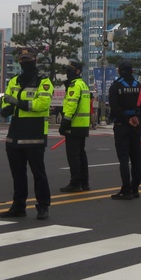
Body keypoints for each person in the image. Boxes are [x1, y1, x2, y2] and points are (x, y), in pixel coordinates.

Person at [0, 47, 54, 220]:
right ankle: (18, 206)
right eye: (22, 60)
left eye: (27, 59)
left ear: (35, 60)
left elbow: (41, 105)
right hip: (15, 131)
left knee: (38, 173)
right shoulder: (14, 80)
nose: (24, 62)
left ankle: (43, 206)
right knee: (18, 173)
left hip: (34, 131)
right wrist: (5, 108)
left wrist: (17, 102)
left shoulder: (43, 81)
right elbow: (5, 99)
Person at [108, 60, 141, 200]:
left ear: (120, 71)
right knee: (136, 158)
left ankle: (126, 189)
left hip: (122, 125)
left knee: (124, 159)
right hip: (136, 126)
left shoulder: (116, 86)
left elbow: (114, 108)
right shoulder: (139, 86)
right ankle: (135, 188)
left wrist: (127, 120)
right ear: (132, 71)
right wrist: (137, 118)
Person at [59, 60, 91, 193]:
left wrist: (65, 122)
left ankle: (75, 182)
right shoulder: (83, 84)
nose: (67, 72)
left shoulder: (74, 85)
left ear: (77, 71)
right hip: (82, 124)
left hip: (74, 124)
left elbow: (72, 104)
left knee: (73, 155)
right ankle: (84, 183)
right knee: (81, 154)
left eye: (70, 70)